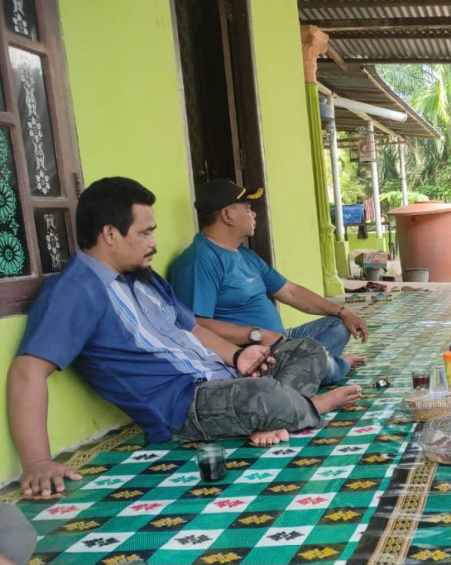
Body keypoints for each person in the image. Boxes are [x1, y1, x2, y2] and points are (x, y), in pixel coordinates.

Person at [7, 177, 361, 498]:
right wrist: (37, 462)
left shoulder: (144, 278)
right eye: (145, 233)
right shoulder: (74, 292)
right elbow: (28, 371)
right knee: (262, 393)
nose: (154, 242)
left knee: (308, 349)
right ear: (111, 234)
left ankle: (280, 414)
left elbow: (193, 328)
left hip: (225, 379)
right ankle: (308, 407)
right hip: (183, 405)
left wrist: (239, 357)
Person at [169, 178, 369, 386]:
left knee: (338, 325)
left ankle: (311, 367)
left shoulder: (245, 255)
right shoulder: (199, 261)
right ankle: (330, 367)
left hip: (281, 340)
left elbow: (289, 291)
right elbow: (195, 325)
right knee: (317, 357)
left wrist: (343, 312)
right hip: (255, 353)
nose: (253, 214)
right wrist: (257, 335)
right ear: (227, 215)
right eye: (247, 208)